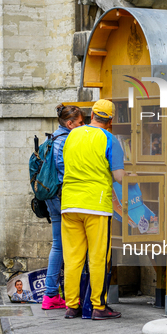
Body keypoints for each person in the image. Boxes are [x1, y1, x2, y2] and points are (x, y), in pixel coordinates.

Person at [61, 99, 126, 320]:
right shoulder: (110, 139)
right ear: (111, 120)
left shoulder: (72, 135)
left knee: (72, 258)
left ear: (92, 116)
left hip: (69, 204)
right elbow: (118, 176)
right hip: (96, 206)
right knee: (98, 257)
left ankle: (71, 306)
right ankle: (98, 307)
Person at [42, 104, 85, 310]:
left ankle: (51, 295)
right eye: (80, 123)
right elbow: (66, 170)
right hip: (64, 198)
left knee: (58, 245)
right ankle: (74, 296)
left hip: (51, 197)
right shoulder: (66, 141)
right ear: (70, 124)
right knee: (74, 247)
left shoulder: (50, 138)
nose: (82, 126)